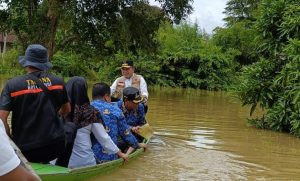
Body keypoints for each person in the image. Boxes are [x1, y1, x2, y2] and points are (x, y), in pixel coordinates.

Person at [0, 44, 71, 163]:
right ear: (45, 62)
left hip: (25, 149)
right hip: (55, 146)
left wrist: (10, 140)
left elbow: (2, 119)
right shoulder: (58, 82)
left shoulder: (12, 85)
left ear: (26, 63)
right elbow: (67, 110)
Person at [56, 76, 128, 168]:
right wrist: (120, 154)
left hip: (58, 162)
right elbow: (103, 137)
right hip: (83, 162)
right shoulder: (91, 112)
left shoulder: (59, 110)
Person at [91, 82, 146, 162]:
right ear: (106, 97)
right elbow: (126, 134)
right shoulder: (116, 110)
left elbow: (142, 123)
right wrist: (137, 144)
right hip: (109, 156)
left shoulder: (84, 109)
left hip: (89, 154)